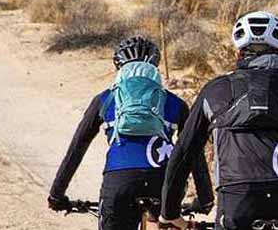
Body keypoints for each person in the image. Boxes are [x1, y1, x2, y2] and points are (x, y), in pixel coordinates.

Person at [158, 11, 278, 230]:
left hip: (237, 202)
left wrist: (169, 213)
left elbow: (183, 153)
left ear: (239, 53)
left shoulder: (215, 91)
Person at [48, 36, 214, 230]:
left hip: (119, 180)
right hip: (164, 183)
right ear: (155, 65)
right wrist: (205, 199)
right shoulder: (175, 103)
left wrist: (57, 195)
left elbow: (77, 147)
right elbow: (192, 151)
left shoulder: (105, 100)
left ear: (118, 67)